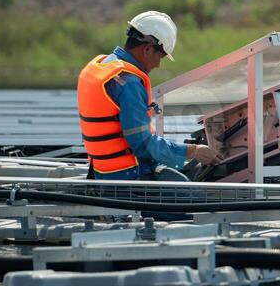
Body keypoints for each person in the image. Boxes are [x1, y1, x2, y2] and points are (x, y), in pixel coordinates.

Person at [76, 11, 221, 180]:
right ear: (147, 49)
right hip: (128, 176)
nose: (159, 64)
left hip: (102, 171)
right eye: (161, 56)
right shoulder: (129, 83)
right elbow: (142, 144)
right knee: (196, 197)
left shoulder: (101, 66)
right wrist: (193, 151)